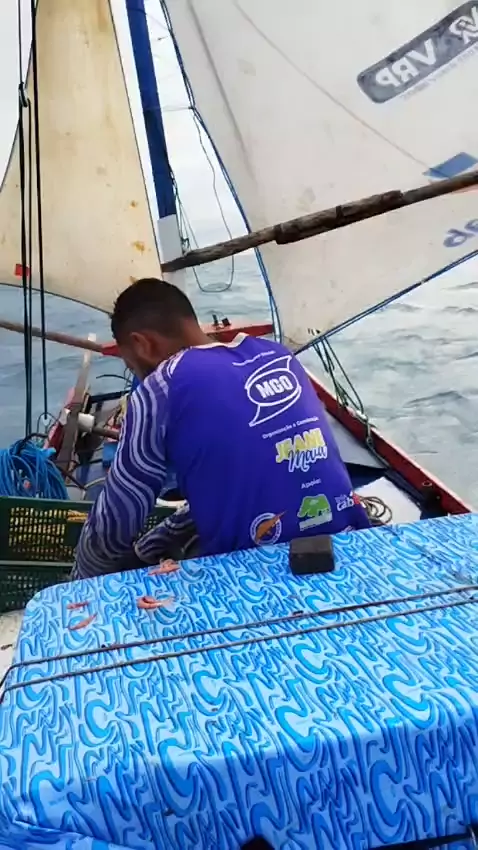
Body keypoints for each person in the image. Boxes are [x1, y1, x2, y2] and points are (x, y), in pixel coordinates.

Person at [73, 278, 370, 580]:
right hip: (347, 546)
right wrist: (149, 546)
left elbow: (115, 524)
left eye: (132, 366)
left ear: (142, 344)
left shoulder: (161, 386)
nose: (137, 375)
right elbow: (242, 486)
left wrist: (77, 584)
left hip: (256, 573)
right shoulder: (280, 356)